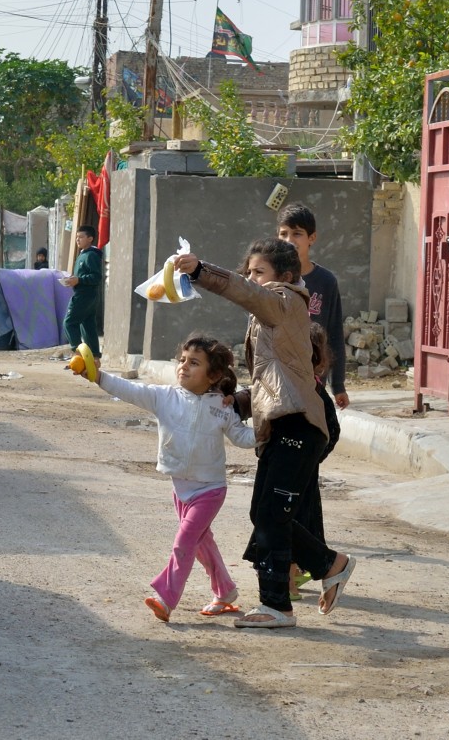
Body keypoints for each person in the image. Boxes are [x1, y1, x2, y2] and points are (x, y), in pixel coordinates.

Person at [173, 239, 356, 628]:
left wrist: (200, 270)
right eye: (250, 272)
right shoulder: (273, 319)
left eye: (260, 272)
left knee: (273, 514)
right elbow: (275, 382)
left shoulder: (285, 300)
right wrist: (237, 401)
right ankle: (328, 565)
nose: (252, 279)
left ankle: (279, 606)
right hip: (284, 423)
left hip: (299, 426)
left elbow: (245, 293)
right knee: (265, 513)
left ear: (286, 278)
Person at [73, 333, 255, 622]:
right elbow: (127, 389)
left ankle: (166, 598)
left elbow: (243, 437)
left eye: (194, 362)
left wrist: (267, 431)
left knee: (184, 542)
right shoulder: (163, 397)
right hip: (180, 489)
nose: (183, 366)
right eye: (182, 360)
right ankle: (225, 591)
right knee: (201, 544)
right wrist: (95, 375)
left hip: (210, 490)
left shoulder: (221, 406)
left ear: (215, 374)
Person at [276, 203, 349, 410]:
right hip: (278, 376)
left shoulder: (326, 281)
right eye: (284, 234)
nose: (289, 240)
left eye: (297, 233)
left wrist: (338, 384)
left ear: (312, 238)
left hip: (313, 379)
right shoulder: (272, 278)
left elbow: (334, 333)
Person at [290, 322, 342, 601]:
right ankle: (294, 574)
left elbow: (331, 432)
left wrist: (310, 457)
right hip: (295, 469)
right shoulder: (288, 388)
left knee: (287, 521)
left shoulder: (314, 394)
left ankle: (289, 583)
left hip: (301, 473)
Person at [62, 226, 103, 360]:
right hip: (86, 295)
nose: (77, 240)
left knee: (69, 323)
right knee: (88, 326)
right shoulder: (82, 254)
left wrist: (79, 280)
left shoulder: (91, 255)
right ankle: (94, 357)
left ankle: (79, 354)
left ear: (90, 239)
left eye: (81, 237)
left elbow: (96, 277)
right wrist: (73, 280)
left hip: (85, 295)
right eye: (77, 237)